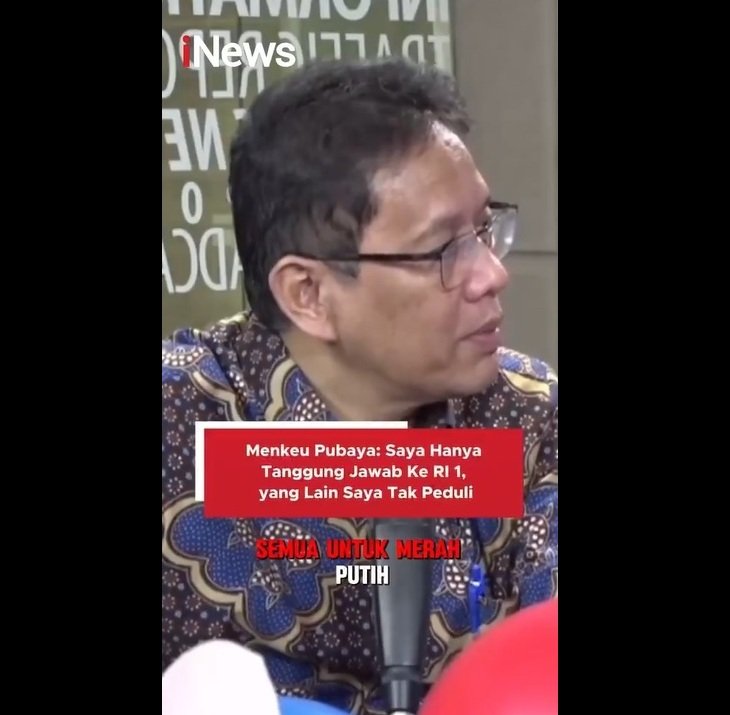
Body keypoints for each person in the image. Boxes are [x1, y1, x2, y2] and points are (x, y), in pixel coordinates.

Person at [162, 56, 558, 715]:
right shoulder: (181, 418)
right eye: (443, 250)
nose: (491, 274)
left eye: (484, 229)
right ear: (308, 293)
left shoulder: (528, 418)